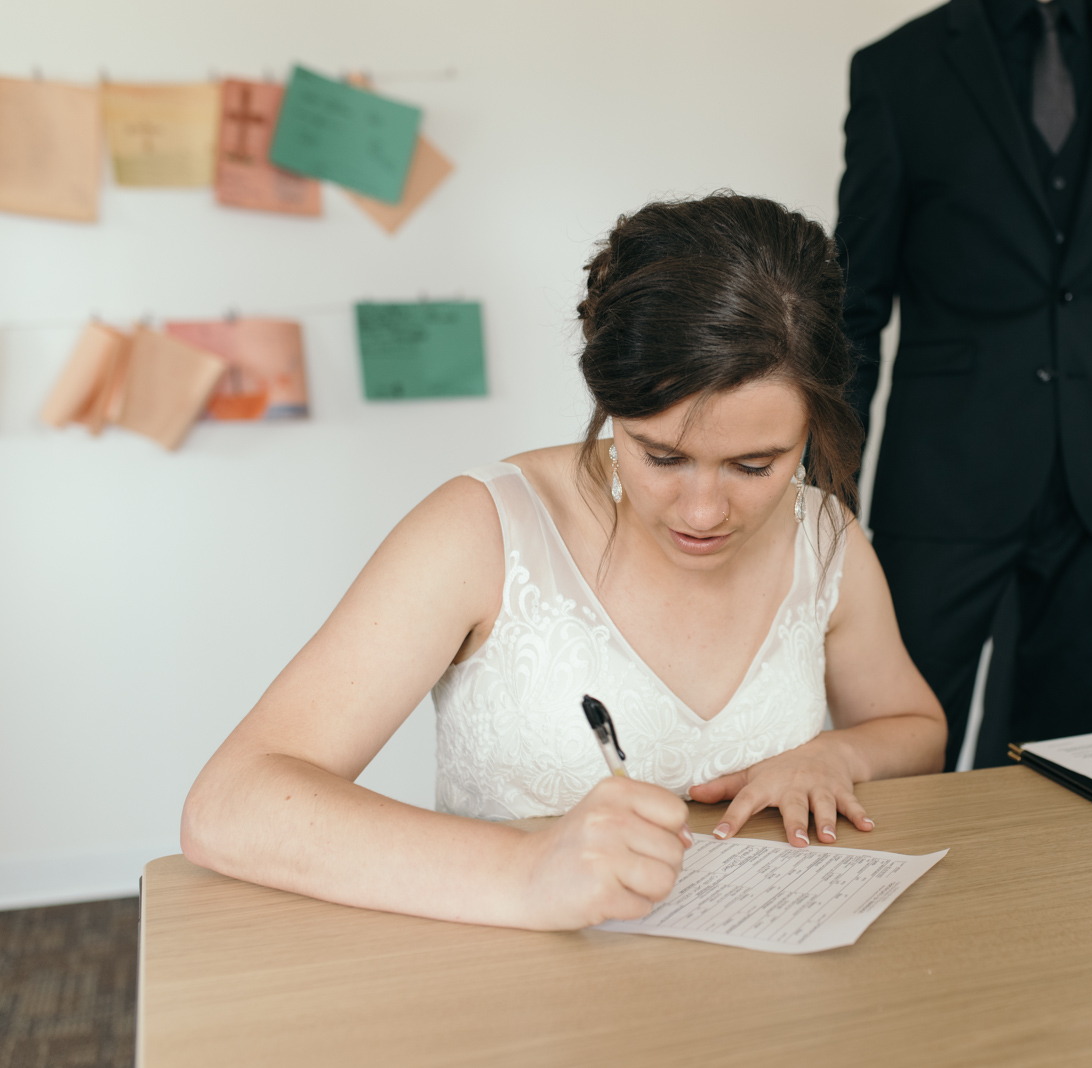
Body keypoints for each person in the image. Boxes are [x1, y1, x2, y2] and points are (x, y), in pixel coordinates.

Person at [180, 194, 947, 932]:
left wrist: (832, 754)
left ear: (811, 425)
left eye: (755, 465)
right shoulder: (481, 530)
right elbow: (230, 805)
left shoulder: (822, 531)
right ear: (609, 405)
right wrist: (525, 869)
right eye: (663, 456)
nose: (704, 512)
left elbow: (915, 727)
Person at [837, 0, 1092, 769]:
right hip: (945, 477)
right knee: (896, 751)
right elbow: (854, 306)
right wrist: (827, 499)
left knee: (1080, 768)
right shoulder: (898, 68)